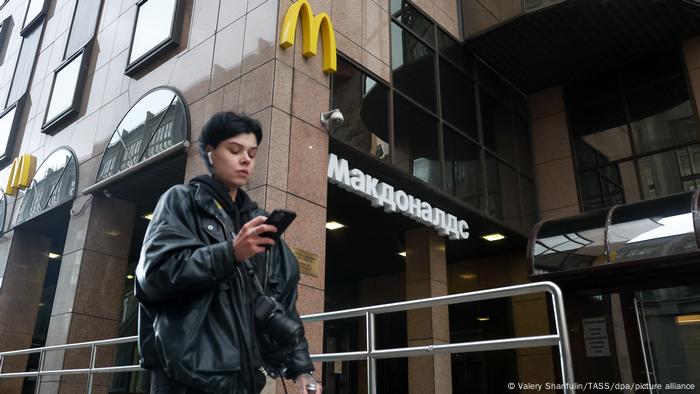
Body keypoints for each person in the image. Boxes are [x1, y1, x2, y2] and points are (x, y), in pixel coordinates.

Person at [135, 112, 321, 393]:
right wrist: (230, 253)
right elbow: (154, 275)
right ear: (210, 153)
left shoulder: (258, 221)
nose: (246, 158)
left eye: (252, 152)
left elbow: (283, 299)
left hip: (243, 375)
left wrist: (302, 370)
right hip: (186, 374)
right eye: (235, 150)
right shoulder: (181, 201)